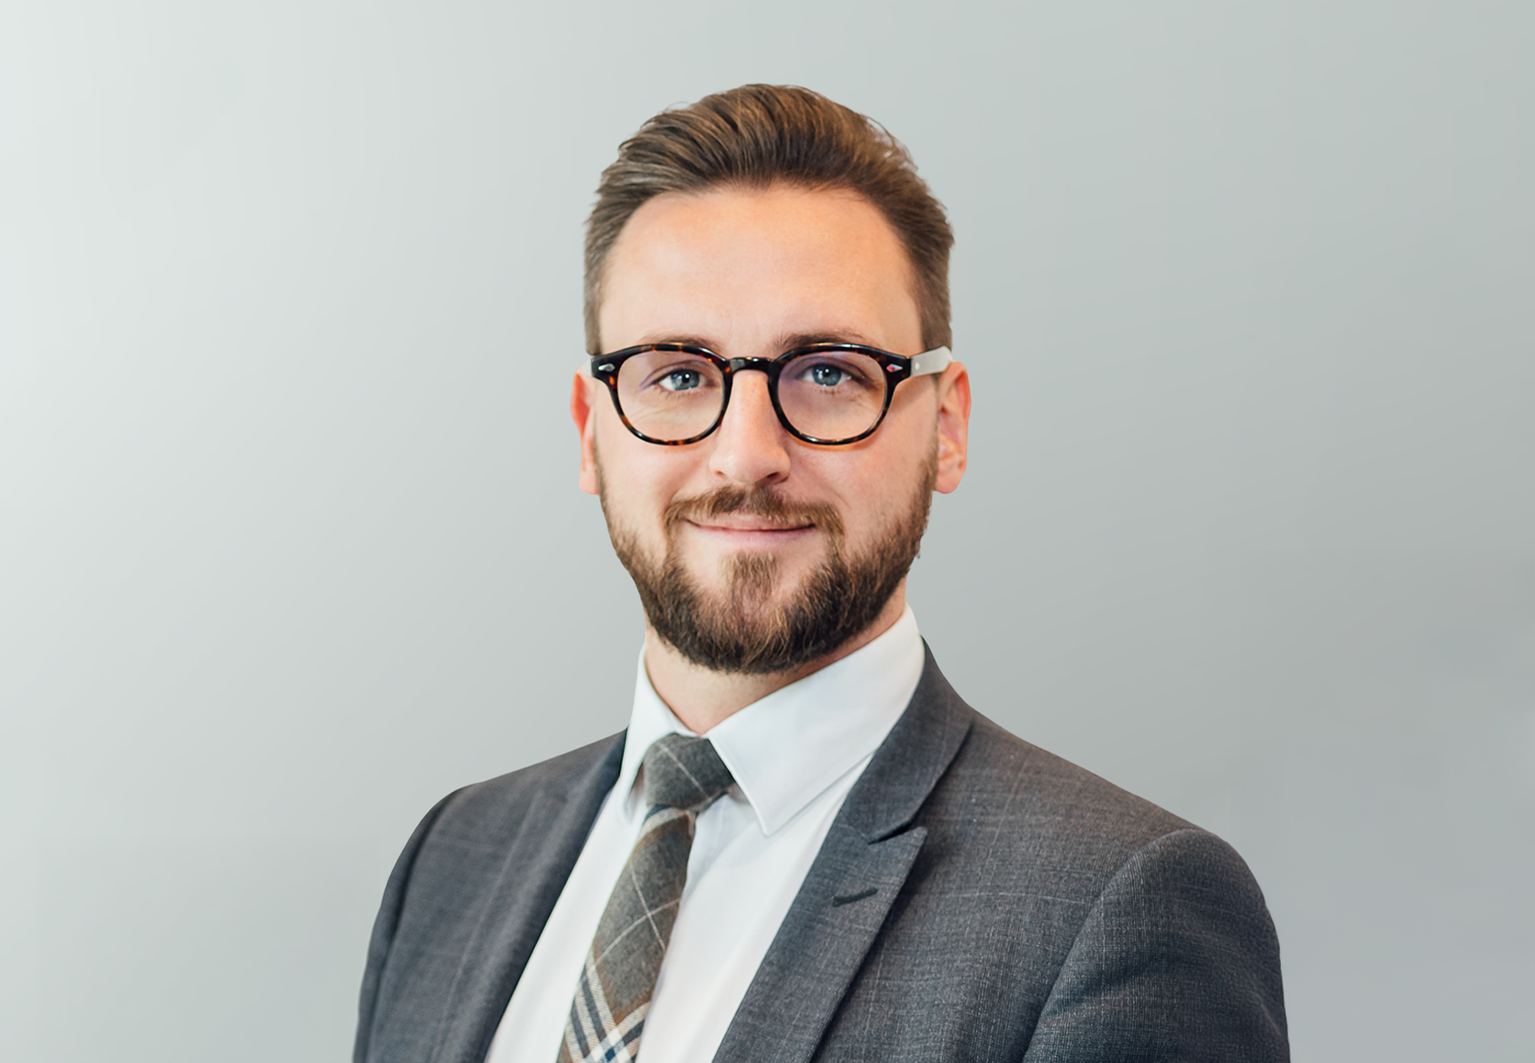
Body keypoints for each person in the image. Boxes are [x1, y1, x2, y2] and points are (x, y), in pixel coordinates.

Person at [353, 84, 1288, 1063]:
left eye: (829, 371)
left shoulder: (1119, 908)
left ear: (947, 426)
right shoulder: (453, 861)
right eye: (679, 375)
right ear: (592, 433)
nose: (745, 455)